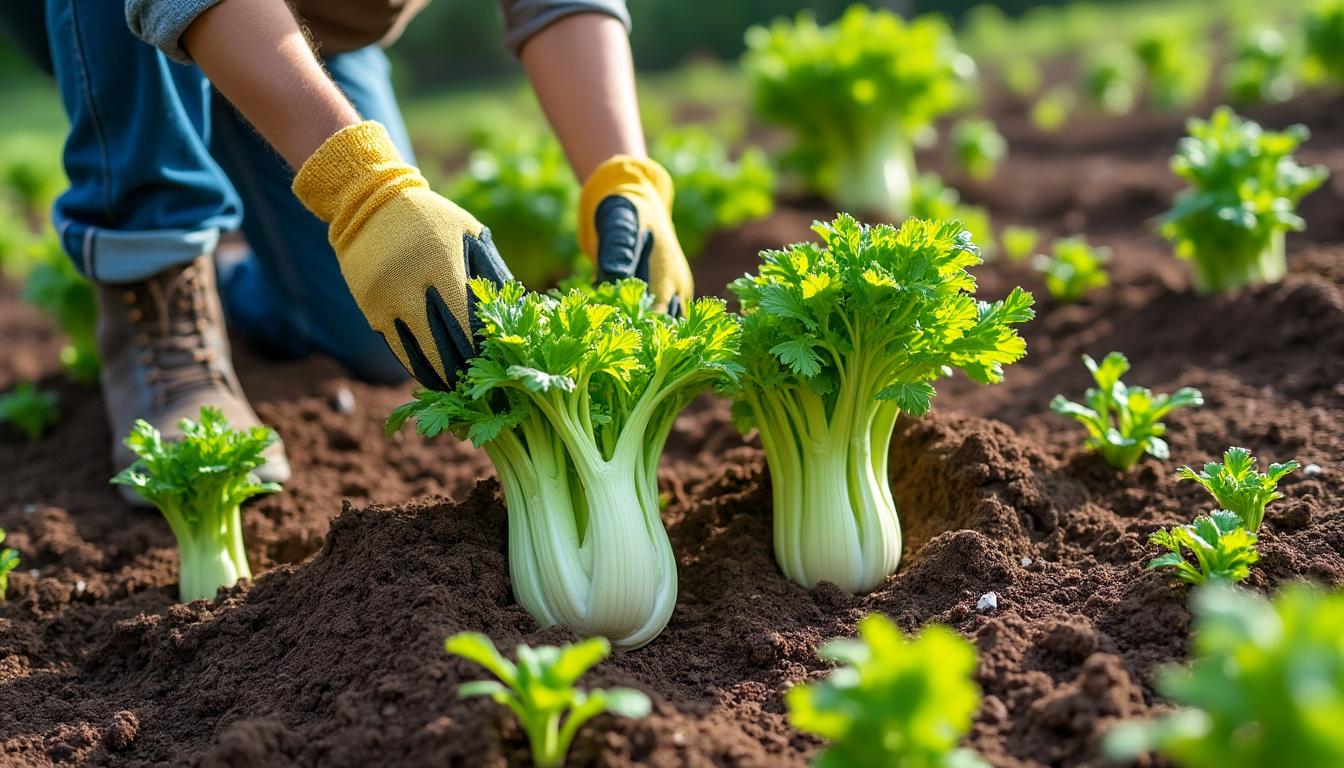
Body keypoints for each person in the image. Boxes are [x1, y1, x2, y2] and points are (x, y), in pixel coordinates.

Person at [1, 0, 692, 502]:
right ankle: (155, 290)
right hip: (101, 17)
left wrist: (623, 175)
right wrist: (362, 187)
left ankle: (229, 276)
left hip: (313, 25)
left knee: (376, 337)